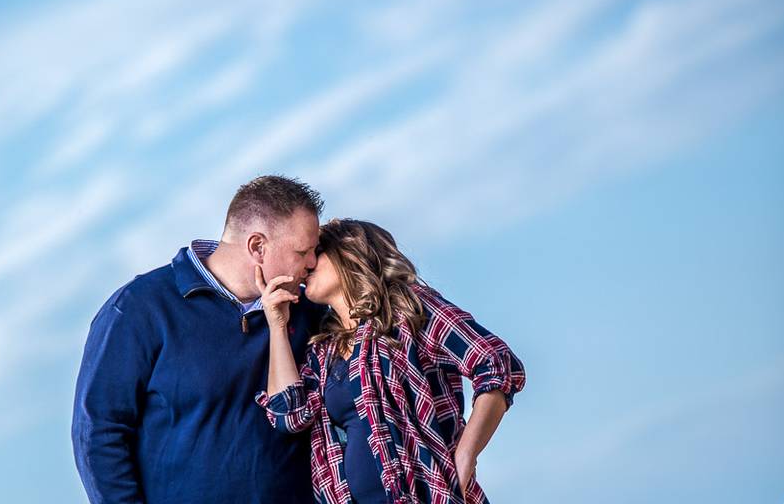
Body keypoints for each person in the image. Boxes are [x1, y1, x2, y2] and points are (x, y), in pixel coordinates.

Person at [72, 175, 326, 504]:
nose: (313, 262)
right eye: (302, 251)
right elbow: (98, 433)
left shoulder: (311, 313)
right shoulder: (139, 308)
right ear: (257, 246)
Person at [256, 218, 526, 504]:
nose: (307, 264)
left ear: (349, 253)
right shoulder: (324, 350)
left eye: (318, 252)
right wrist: (277, 325)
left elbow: (497, 364)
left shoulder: (409, 310)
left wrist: (465, 457)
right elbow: (289, 414)